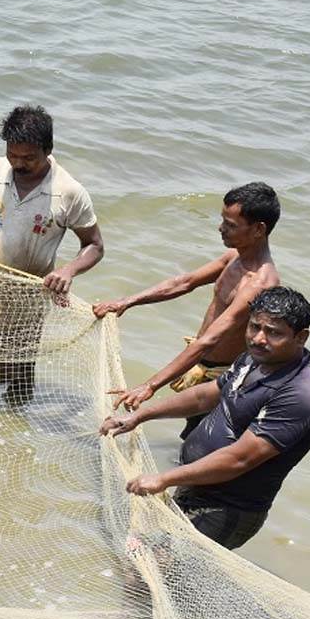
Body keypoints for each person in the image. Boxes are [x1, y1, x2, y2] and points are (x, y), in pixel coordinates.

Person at [100, 286, 310, 550]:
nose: (259, 338)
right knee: (142, 560)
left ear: (301, 337)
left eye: (274, 333)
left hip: (225, 509)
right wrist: (141, 415)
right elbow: (206, 396)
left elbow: (239, 459)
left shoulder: (299, 397)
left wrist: (165, 478)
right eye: (254, 327)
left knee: (159, 576)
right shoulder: (255, 360)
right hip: (195, 485)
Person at [0, 105, 104, 404]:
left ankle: (16, 435)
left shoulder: (69, 192)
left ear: (48, 150)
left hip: (27, 302)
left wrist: (68, 271)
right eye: (13, 155)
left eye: (29, 158)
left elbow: (95, 246)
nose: (19, 163)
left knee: (20, 379)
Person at [95, 182, 280, 438]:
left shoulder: (259, 283)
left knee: (199, 445)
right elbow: (184, 282)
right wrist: (126, 302)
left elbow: (209, 340)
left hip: (224, 380)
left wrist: (149, 386)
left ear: (259, 229)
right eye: (222, 220)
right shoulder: (233, 258)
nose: (221, 228)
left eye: (231, 225)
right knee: (189, 439)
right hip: (201, 366)